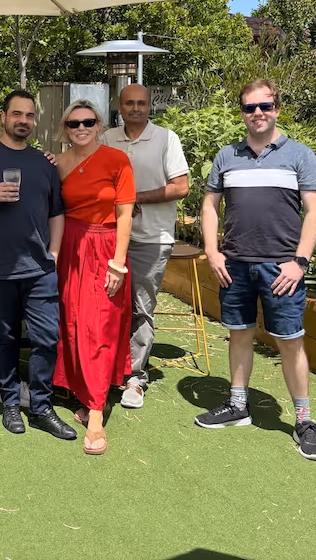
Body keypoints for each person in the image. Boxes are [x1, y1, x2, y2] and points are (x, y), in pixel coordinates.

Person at [197, 79, 316, 462]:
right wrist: (212, 251)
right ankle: (239, 406)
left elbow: (315, 211)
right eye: (250, 108)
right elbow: (209, 207)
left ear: (277, 109)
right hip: (234, 264)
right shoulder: (226, 156)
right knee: (238, 334)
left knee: (290, 341)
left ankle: (303, 420)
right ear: (242, 113)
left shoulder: (300, 155)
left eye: (264, 106)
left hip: (282, 267)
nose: (257, 113)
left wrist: (299, 261)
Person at [0, 90, 76, 440]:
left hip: (39, 269)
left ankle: (41, 407)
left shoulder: (43, 163)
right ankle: (10, 403)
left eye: (29, 115)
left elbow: (57, 212)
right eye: (17, 114)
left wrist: (53, 253)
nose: (23, 120)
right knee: (5, 338)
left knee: (46, 339)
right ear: (4, 118)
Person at [53, 100, 135, 454]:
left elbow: (126, 214)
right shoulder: (56, 164)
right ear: (65, 128)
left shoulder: (118, 160)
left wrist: (118, 263)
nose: (81, 128)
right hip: (68, 247)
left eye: (88, 122)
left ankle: (97, 411)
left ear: (99, 125)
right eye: (74, 124)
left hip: (105, 248)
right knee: (71, 323)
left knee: (99, 325)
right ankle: (79, 392)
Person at [100, 84, 189, 408]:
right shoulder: (108, 139)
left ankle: (135, 379)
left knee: (140, 309)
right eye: (129, 103)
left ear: (150, 106)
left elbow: (181, 187)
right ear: (119, 107)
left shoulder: (166, 138)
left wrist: (136, 198)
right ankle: (107, 372)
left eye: (141, 103)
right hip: (110, 236)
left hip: (151, 238)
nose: (136, 108)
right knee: (108, 307)